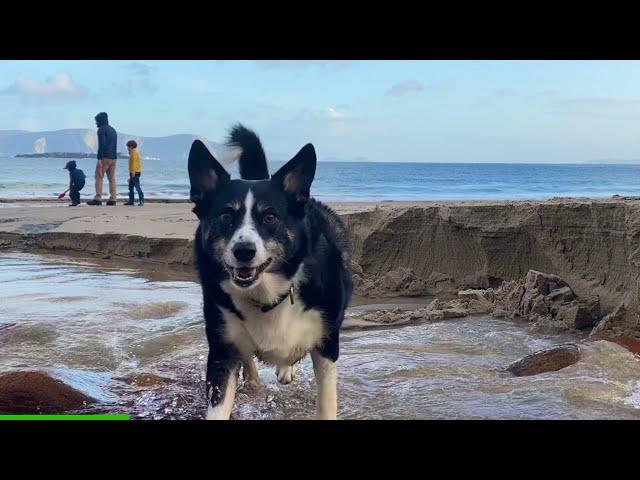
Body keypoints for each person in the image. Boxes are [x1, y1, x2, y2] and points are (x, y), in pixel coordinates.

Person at [87, 112, 118, 206]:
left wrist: (99, 159)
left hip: (105, 157)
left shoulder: (101, 130)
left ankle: (98, 198)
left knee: (99, 177)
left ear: (100, 120)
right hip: (114, 157)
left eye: (96, 121)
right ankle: (113, 199)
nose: (96, 123)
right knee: (112, 178)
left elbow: (102, 145)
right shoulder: (113, 130)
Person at [125, 140, 144, 206]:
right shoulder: (133, 153)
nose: (127, 148)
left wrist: (132, 173)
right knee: (130, 187)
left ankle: (141, 201)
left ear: (131, 146)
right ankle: (131, 201)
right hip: (133, 172)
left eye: (128, 146)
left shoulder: (134, 153)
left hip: (135, 172)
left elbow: (134, 163)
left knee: (137, 187)